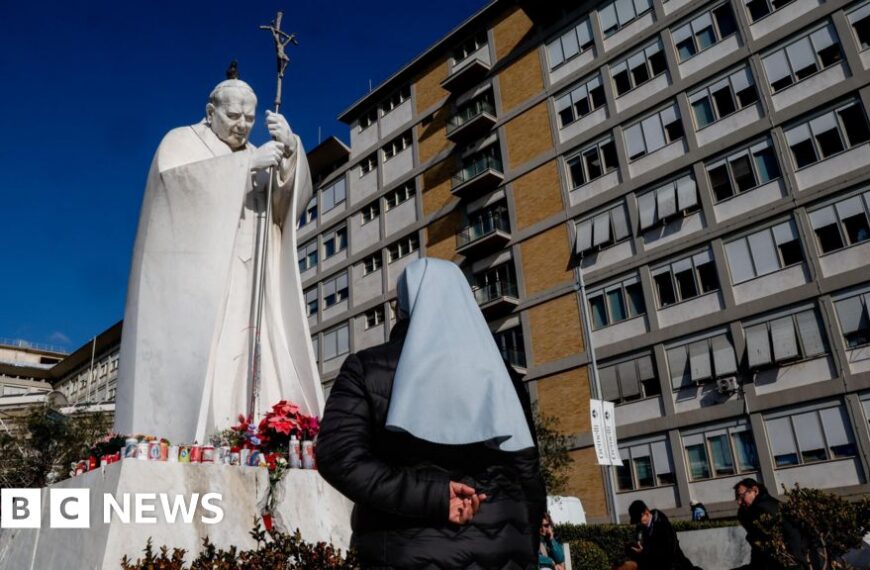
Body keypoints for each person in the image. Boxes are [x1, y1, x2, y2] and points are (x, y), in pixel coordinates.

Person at [114, 70, 323, 443]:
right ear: (211, 111)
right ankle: (210, 433)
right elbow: (172, 188)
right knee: (214, 360)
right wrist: (245, 168)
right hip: (206, 282)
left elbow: (284, 208)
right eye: (233, 116)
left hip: (252, 281)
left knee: (251, 354)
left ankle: (254, 430)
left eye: (249, 118)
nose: (243, 126)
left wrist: (290, 154)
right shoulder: (181, 142)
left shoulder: (259, 153)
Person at [317, 258, 547, 568]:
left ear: (404, 305)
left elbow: (338, 457)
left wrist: (433, 497)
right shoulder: (503, 376)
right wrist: (526, 549)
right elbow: (528, 473)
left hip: (404, 551)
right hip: (506, 552)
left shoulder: (367, 368)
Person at [734, 478, 805, 569]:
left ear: (755, 490)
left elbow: (762, 545)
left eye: (741, 496)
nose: (739, 502)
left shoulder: (762, 509)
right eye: (737, 498)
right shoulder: (769, 504)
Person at [627, 500, 698, 570]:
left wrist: (644, 551)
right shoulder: (642, 529)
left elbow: (667, 552)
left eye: (639, 520)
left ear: (646, 513)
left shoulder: (663, 525)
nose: (639, 523)